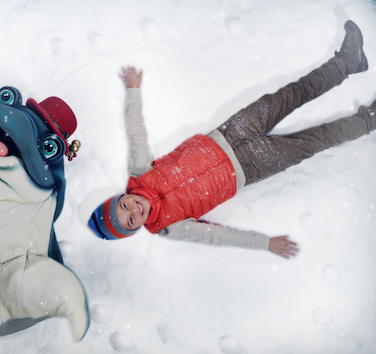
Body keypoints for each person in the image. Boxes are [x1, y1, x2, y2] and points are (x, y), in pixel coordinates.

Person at [88, 20, 374, 259]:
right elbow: (217, 236)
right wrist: (266, 244)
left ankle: (347, 63)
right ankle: (370, 119)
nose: (132, 210)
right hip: (249, 167)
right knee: (317, 140)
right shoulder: (169, 226)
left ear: (122, 196)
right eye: (129, 220)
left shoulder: (140, 174)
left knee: (290, 96)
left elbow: (135, 132)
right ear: (135, 228)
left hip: (230, 133)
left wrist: (133, 91)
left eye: (122, 205)